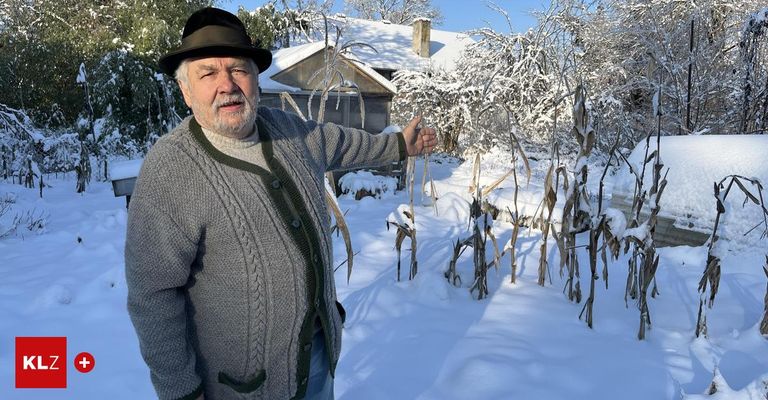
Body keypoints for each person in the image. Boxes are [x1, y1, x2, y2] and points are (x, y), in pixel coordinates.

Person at [124, 7, 437, 400]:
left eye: (238, 69)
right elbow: (153, 296)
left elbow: (340, 142)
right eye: (207, 73)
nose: (227, 85)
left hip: (317, 359)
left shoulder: (286, 129)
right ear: (186, 91)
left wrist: (397, 145)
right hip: (242, 387)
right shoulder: (170, 171)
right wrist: (181, 393)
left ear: (255, 79)